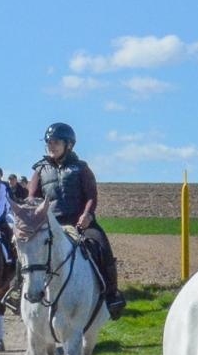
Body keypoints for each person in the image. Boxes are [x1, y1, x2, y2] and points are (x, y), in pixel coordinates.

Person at [27, 122, 129, 322]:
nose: (51, 146)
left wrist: (87, 215)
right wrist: (32, 209)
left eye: (56, 142)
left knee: (102, 245)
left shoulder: (81, 168)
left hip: (79, 222)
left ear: (69, 145)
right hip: (51, 225)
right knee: (26, 247)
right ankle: (17, 288)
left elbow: (91, 195)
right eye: (49, 142)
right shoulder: (40, 169)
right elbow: (32, 197)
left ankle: (111, 296)